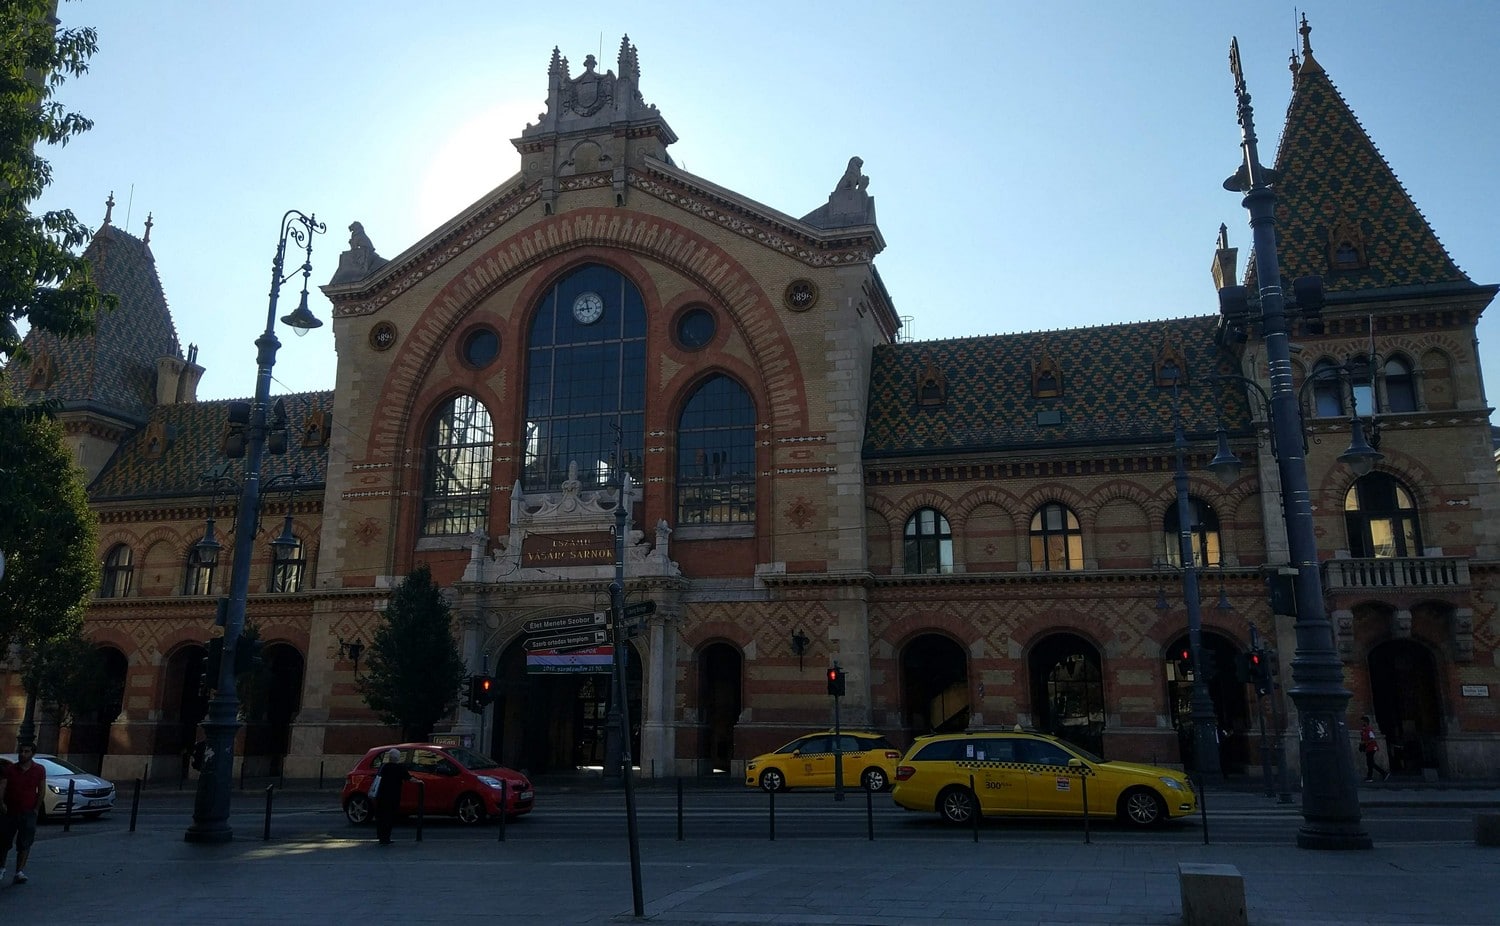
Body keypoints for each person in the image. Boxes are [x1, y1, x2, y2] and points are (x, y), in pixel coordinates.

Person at [0, 743, 46, 884]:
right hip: (10, 811)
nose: (23, 754)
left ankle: (19, 871)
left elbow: (41, 789)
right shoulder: (10, 769)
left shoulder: (39, 770)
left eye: (26, 751)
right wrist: (1, 804)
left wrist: (36, 809)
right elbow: (2, 786)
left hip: (28, 811)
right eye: (21, 751)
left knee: (25, 842)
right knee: (3, 842)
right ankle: (1, 868)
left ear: (32, 754)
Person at [371, 747, 411, 845]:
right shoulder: (400, 768)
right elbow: (408, 778)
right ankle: (386, 837)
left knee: (381, 816)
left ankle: (381, 837)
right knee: (389, 817)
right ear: (397, 758)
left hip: (382, 795)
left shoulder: (384, 767)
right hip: (393, 795)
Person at [1359, 715, 1389, 782]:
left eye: (1362, 722)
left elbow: (1372, 739)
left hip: (1372, 748)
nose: (1361, 723)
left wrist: (1364, 742)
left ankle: (1382, 774)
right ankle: (1371, 777)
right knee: (1370, 763)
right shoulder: (1364, 730)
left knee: (1370, 763)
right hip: (1369, 748)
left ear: (1365, 722)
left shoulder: (1369, 729)